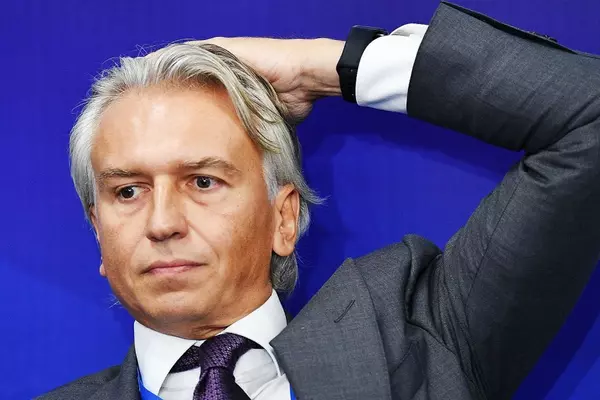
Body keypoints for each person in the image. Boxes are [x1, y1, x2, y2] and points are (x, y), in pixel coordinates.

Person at [39, 1, 600, 399]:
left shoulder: (421, 346)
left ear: (284, 219)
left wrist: (327, 67)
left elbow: (589, 118)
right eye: (128, 191)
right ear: (98, 229)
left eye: (203, 181)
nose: (161, 222)